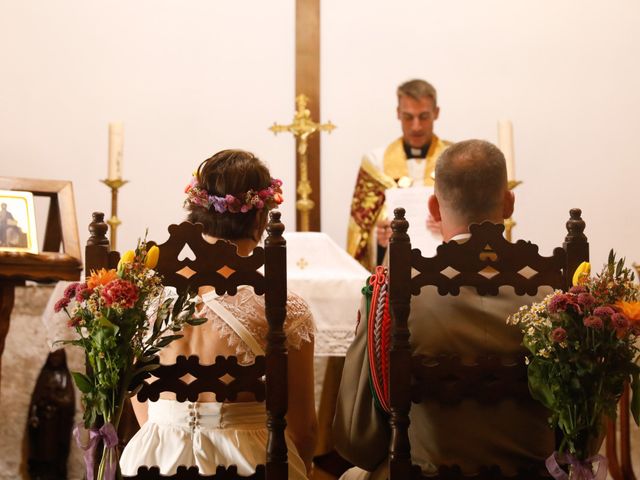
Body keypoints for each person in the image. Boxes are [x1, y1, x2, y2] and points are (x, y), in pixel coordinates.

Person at [334, 140, 554, 479]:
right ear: (509, 203)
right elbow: (584, 427)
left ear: (434, 208)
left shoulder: (396, 295)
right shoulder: (555, 293)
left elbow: (356, 437)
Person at [120, 150, 317, 479]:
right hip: (248, 461)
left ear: (196, 213)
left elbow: (142, 404)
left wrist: (172, 437)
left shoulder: (145, 300)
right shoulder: (281, 308)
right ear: (260, 220)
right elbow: (303, 428)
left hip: (152, 459)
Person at [346, 79, 452, 270]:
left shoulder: (455, 160)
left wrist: (452, 228)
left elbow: (474, 220)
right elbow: (359, 234)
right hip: (393, 270)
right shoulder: (375, 164)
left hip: (445, 269)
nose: (416, 126)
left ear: (436, 113)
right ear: (398, 114)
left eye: (424, 116)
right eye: (408, 117)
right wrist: (378, 241)